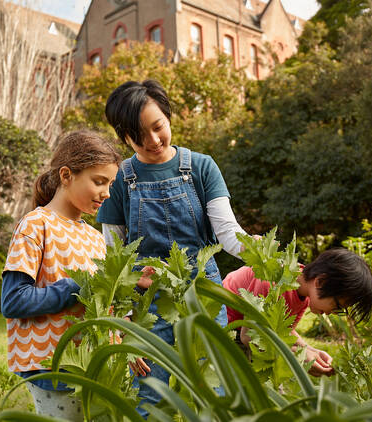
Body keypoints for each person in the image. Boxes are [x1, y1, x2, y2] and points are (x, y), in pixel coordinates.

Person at [96, 79, 252, 417]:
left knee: (217, 387)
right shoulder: (120, 177)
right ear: (124, 137)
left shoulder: (201, 166)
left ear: (168, 116)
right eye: (139, 135)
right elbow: (114, 256)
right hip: (147, 300)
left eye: (158, 127)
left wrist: (266, 256)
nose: (152, 141)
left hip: (203, 294)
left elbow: (227, 232)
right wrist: (122, 321)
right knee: (151, 394)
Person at [1, 130, 125, 421]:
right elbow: (13, 300)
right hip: (53, 367)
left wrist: (120, 340)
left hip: (96, 363)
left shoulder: (95, 239)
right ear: (67, 175)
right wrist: (77, 286)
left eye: (111, 184)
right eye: (99, 181)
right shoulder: (36, 225)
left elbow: (101, 304)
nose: (107, 193)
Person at [224, 248, 372, 376]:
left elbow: (285, 331)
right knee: (250, 386)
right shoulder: (274, 279)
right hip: (225, 326)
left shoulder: (303, 293)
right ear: (320, 282)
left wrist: (310, 350)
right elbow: (249, 336)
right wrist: (298, 355)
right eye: (337, 306)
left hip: (246, 331)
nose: (331, 313)